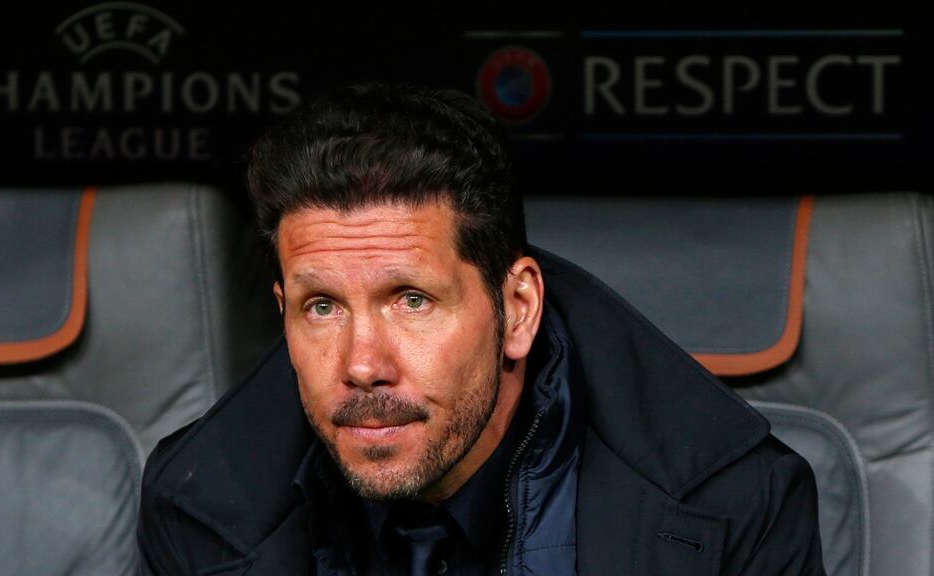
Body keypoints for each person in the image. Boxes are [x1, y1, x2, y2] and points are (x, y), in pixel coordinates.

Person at [138, 83, 826, 576]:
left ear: (518, 307)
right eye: (322, 307)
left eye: (410, 300)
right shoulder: (198, 506)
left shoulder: (734, 504)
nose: (362, 364)